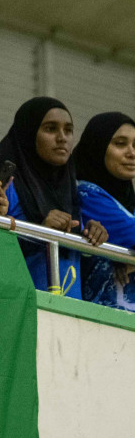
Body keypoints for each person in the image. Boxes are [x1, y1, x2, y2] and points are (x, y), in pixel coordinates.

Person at [0, 97, 109, 297]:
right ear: (28, 133)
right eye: (51, 129)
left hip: (68, 314)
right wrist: (40, 231)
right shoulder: (1, 183)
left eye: (68, 130)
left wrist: (91, 238)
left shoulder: (72, 188)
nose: (62, 138)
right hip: (14, 305)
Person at [71, 112, 135, 311]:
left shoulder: (129, 203)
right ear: (97, 148)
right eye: (120, 144)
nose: (131, 152)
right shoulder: (86, 194)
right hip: (100, 326)